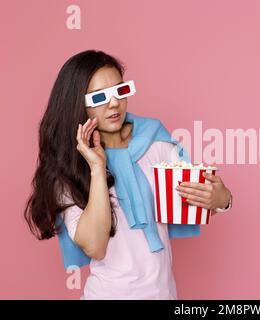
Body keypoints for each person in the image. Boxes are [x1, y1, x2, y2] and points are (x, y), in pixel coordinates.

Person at [24, 50, 232, 299]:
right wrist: (98, 169)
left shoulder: (156, 142)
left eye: (120, 91)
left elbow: (197, 199)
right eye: (100, 96)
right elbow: (94, 246)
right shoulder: (69, 169)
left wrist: (222, 200)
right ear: (77, 104)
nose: (114, 103)